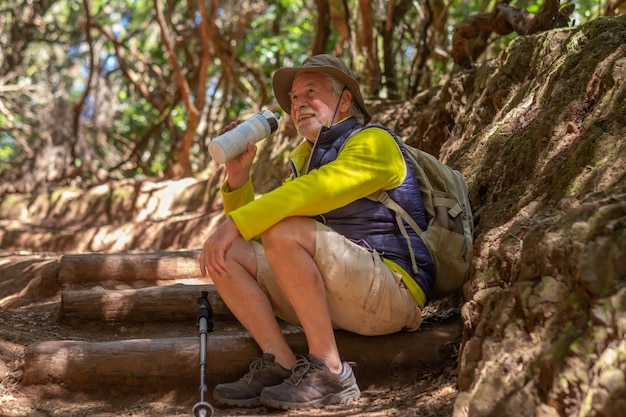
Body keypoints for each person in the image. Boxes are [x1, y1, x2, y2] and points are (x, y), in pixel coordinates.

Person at [198, 54, 435, 410]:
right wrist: (239, 178)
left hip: (393, 292)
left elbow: (318, 191)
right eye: (294, 97)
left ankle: (332, 370)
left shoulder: (375, 142)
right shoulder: (307, 161)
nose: (298, 103)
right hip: (340, 292)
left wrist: (235, 222)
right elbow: (263, 240)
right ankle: (280, 361)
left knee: (284, 230)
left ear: (345, 101)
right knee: (228, 254)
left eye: (312, 91)